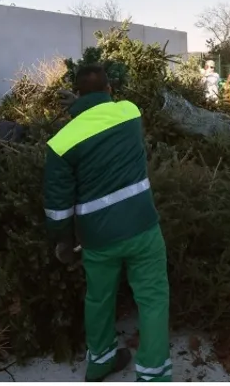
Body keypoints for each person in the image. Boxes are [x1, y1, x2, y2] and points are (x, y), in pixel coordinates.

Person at [44, 64, 172, 382]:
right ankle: (154, 375)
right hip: (142, 226)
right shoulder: (130, 113)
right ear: (110, 90)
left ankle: (100, 362)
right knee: (153, 298)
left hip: (97, 237)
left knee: (99, 298)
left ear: (78, 94)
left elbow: (57, 206)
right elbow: (102, 116)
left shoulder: (60, 143)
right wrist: (84, 103)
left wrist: (62, 241)